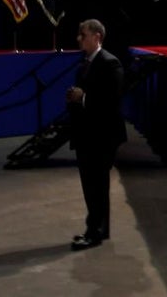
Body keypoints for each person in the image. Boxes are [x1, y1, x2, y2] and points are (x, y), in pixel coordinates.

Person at [65, 18, 127, 250]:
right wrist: (75, 98)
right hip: (86, 135)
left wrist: (83, 97)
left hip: (102, 137)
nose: (79, 38)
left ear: (97, 37)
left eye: (83, 34)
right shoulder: (85, 64)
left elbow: (112, 101)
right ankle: (100, 229)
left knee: (96, 185)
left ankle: (94, 232)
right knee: (92, 185)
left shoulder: (111, 64)